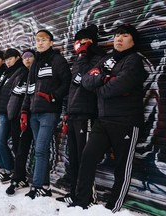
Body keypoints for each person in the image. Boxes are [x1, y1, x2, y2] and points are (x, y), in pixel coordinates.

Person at [69, 24, 147, 212]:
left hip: (126, 121)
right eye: (117, 35)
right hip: (102, 120)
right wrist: (104, 80)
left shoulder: (134, 60)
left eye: (125, 35)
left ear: (133, 41)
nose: (119, 38)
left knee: (123, 167)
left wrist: (100, 84)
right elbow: (87, 80)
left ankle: (113, 207)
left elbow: (118, 86)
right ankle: (81, 202)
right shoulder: (107, 59)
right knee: (87, 157)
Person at [55, 24, 106, 204]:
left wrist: (84, 55)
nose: (79, 44)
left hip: (87, 113)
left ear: (91, 41)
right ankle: (74, 193)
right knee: (74, 158)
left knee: (84, 157)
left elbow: (86, 80)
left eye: (83, 40)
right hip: (74, 113)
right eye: (78, 41)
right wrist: (67, 113)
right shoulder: (78, 59)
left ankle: (87, 196)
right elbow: (72, 87)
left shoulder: (98, 58)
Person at [21, 30, 71, 199]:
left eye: (43, 40)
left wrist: (54, 96)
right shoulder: (35, 63)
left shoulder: (58, 60)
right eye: (37, 40)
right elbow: (30, 88)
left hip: (49, 112)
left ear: (51, 42)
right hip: (34, 113)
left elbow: (66, 82)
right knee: (40, 150)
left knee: (41, 149)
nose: (40, 43)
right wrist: (24, 111)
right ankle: (45, 186)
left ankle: (36, 186)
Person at [0, 48, 25, 184]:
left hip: (5, 113)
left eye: (10, 59)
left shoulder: (19, 72)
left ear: (17, 58)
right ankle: (2, 170)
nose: (8, 62)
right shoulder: (7, 73)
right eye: (7, 59)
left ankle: (9, 170)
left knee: (0, 141)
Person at [6, 49, 35, 196]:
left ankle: (18, 179)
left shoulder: (35, 74)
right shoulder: (20, 74)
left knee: (24, 149)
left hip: (30, 116)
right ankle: (20, 176)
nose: (27, 59)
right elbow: (11, 93)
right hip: (16, 117)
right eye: (25, 57)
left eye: (30, 56)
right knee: (18, 148)